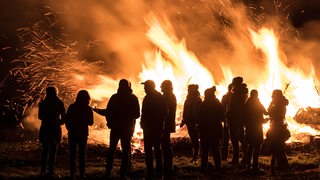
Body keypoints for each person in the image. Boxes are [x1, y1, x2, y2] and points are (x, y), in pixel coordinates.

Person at [94, 79, 140, 178]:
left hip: (116, 128)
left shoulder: (115, 97)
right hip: (126, 129)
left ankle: (108, 172)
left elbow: (108, 112)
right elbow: (137, 114)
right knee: (125, 152)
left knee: (112, 150)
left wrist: (98, 111)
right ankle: (123, 173)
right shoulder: (133, 98)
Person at [65, 90, 94, 179]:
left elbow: (67, 119)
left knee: (72, 154)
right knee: (82, 154)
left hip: (73, 133)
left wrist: (69, 128)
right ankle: (82, 174)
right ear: (87, 98)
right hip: (83, 133)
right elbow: (91, 123)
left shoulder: (72, 107)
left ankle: (72, 174)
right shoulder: (88, 108)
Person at [38, 86, 65, 176]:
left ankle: (43, 170)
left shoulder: (43, 103)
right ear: (56, 92)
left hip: (45, 128)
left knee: (45, 150)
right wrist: (58, 122)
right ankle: (51, 171)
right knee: (53, 150)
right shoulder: (60, 103)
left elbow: (40, 117)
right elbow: (64, 118)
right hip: (55, 129)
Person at [140, 80, 165, 178]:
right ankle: (154, 170)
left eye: (146, 87)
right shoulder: (157, 97)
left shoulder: (155, 97)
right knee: (154, 149)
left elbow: (163, 113)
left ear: (151, 87)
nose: (144, 89)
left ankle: (154, 170)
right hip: (152, 127)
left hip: (152, 127)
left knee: (152, 149)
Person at [198, 86, 224, 174]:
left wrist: (199, 128)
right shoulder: (218, 103)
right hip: (215, 130)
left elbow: (199, 118)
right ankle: (218, 167)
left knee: (204, 151)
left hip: (205, 131)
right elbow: (223, 117)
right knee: (216, 150)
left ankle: (203, 168)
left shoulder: (204, 104)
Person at [243, 89, 268, 174]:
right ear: (256, 95)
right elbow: (265, 112)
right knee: (257, 148)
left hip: (249, 128)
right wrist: (265, 120)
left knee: (250, 147)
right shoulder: (257, 103)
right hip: (257, 128)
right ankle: (255, 166)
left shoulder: (247, 104)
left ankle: (248, 165)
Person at [226, 77, 248, 166]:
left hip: (234, 119)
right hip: (240, 119)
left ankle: (236, 159)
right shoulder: (243, 93)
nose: (232, 84)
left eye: (233, 82)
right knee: (241, 139)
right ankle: (245, 157)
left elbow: (232, 107)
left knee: (235, 139)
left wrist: (227, 115)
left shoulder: (236, 94)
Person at [267, 89, 290, 175]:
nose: (272, 98)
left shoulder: (277, 106)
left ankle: (275, 168)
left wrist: (271, 102)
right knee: (279, 148)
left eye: (273, 97)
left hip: (276, 128)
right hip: (280, 128)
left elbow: (268, 111)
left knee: (276, 148)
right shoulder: (282, 104)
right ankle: (281, 166)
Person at [181, 84, 202, 163]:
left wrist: (197, 123)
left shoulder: (197, 100)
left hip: (195, 123)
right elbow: (185, 111)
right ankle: (195, 156)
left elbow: (198, 113)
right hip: (190, 122)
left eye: (189, 89)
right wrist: (183, 121)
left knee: (195, 140)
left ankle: (196, 156)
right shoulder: (188, 100)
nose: (188, 91)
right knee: (194, 140)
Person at [160, 80, 177, 176]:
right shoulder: (170, 95)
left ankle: (168, 165)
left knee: (165, 144)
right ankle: (167, 165)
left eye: (162, 85)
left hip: (165, 124)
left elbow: (164, 111)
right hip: (167, 123)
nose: (160, 87)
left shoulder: (167, 96)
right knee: (165, 144)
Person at [220, 84, 232, 161]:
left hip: (226, 120)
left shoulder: (225, 97)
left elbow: (221, 107)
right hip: (232, 120)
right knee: (233, 139)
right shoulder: (235, 97)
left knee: (225, 139)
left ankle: (224, 156)